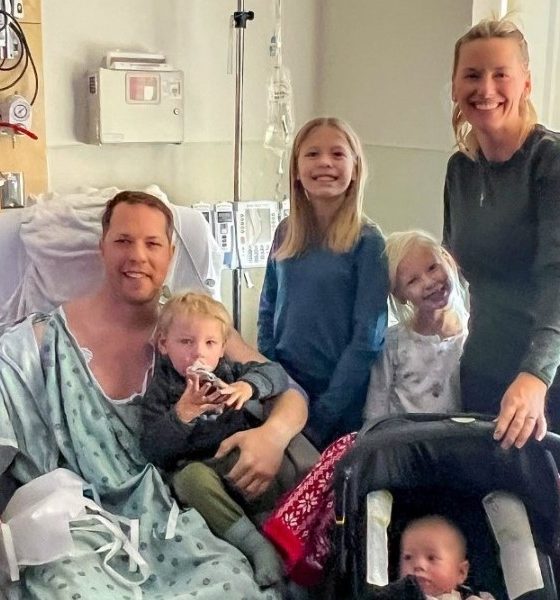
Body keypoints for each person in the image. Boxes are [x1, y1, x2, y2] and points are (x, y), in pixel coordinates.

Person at [0, 190, 307, 599]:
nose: (138, 256)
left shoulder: (198, 330)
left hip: (182, 518)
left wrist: (272, 437)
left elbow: (288, 390)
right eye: (123, 241)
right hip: (83, 526)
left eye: (152, 243)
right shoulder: (43, 342)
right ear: (102, 247)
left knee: (233, 585)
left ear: (171, 254)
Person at [263, 230, 468, 585]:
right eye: (413, 280)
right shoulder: (394, 343)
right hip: (398, 451)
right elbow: (376, 408)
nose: (429, 282)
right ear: (399, 295)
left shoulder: (470, 340)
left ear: (448, 261)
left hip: (453, 452)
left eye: (433, 268)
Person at [443, 17, 560, 450]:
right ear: (455, 87)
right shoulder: (460, 169)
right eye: (472, 75)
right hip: (483, 369)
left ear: (526, 84)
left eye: (500, 75)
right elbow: (456, 267)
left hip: (546, 379)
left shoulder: (550, 161)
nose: (486, 88)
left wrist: (535, 375)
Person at [140, 291, 289, 586]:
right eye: (186, 342)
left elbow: (276, 373)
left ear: (222, 349)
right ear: (164, 344)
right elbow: (152, 449)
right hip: (195, 469)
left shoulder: (228, 371)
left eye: (210, 343)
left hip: (234, 458)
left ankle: (275, 533)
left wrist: (248, 386)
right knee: (189, 480)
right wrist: (182, 414)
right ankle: (256, 546)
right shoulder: (163, 387)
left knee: (260, 460)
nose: (199, 353)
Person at [258, 116, 389, 449]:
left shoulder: (368, 242)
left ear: (355, 169)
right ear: (296, 169)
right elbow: (267, 309)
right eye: (313, 154)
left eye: (337, 154)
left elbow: (368, 338)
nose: (325, 162)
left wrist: (323, 414)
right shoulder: (285, 232)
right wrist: (272, 379)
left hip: (338, 403)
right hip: (285, 392)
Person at [399, 515, 494, 600]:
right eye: (408, 557)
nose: (418, 565)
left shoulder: (479, 596)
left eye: (431, 558)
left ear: (460, 572)